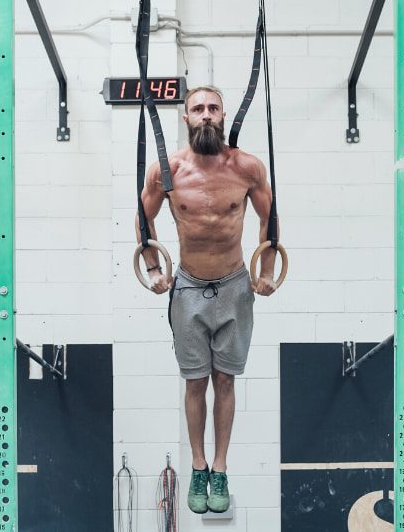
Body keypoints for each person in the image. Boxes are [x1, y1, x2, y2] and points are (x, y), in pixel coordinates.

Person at [136, 85, 279, 514]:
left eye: (212, 108)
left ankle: (220, 468)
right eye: (197, 108)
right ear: (185, 118)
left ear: (223, 116)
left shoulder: (247, 168)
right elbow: (144, 220)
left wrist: (267, 271)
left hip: (235, 285)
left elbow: (270, 218)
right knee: (196, 381)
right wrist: (155, 269)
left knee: (226, 380)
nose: (205, 115)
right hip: (188, 287)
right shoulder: (167, 170)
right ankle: (198, 465)